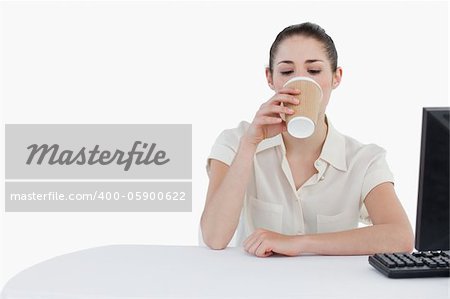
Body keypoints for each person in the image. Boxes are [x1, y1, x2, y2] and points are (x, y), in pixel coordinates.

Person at [200, 22, 414, 257]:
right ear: (270, 78)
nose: (300, 83)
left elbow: (400, 237)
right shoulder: (235, 142)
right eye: (287, 72)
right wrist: (249, 145)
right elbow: (214, 238)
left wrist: (299, 243)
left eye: (313, 71)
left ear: (336, 77)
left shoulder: (364, 160)